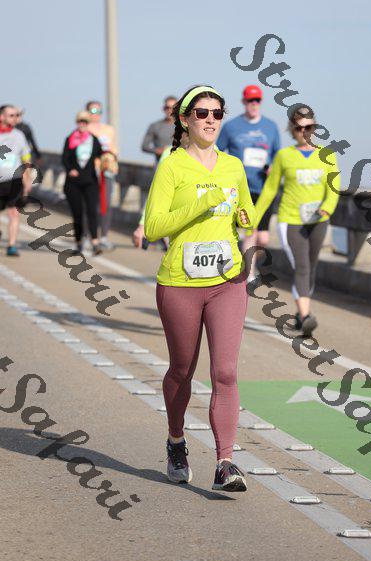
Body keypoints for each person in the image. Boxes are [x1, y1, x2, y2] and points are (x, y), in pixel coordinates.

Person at [144, 85, 255, 491]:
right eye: (202, 113)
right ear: (185, 119)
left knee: (225, 371)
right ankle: (176, 441)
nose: (210, 120)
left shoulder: (233, 166)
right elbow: (153, 227)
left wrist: (246, 228)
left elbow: (247, 213)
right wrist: (202, 204)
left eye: (217, 113)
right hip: (180, 282)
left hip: (227, 282)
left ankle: (226, 462)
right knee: (181, 369)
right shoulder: (171, 166)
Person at [254, 105, 340, 336]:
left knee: (311, 268)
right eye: (299, 128)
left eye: (309, 127)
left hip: (318, 220)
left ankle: (301, 314)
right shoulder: (284, 156)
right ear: (292, 130)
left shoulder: (327, 155)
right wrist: (253, 218)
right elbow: (270, 190)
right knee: (302, 267)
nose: (304, 132)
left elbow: (333, 188)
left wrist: (327, 208)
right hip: (291, 220)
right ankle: (306, 315)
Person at [217, 85, 280, 280]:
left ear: (260, 102)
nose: (253, 104)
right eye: (250, 100)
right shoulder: (231, 127)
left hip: (263, 189)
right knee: (248, 232)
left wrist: (272, 166)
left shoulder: (271, 127)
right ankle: (249, 273)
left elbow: (277, 155)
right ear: (243, 102)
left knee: (263, 238)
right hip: (240, 188)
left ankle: (245, 261)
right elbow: (218, 152)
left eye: (257, 100)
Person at [62, 110, 103, 255]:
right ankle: (79, 243)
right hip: (73, 183)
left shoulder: (94, 139)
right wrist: (70, 169)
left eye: (85, 122)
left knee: (92, 212)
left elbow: (102, 154)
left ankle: (95, 243)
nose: (82, 124)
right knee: (77, 214)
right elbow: (64, 158)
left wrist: (109, 159)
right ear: (77, 122)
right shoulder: (70, 139)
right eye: (80, 122)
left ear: (88, 123)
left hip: (90, 181)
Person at [0, 104, 32, 256]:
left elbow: (25, 158)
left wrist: (28, 180)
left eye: (17, 115)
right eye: (11, 115)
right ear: (2, 117)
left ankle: (11, 246)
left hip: (14, 180)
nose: (15, 118)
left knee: (14, 212)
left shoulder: (19, 135)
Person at [86, 100, 118, 250]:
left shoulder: (109, 130)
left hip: (106, 170)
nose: (96, 114)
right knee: (90, 204)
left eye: (99, 111)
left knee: (106, 204)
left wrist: (111, 157)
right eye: (93, 111)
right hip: (90, 171)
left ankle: (103, 236)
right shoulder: (84, 130)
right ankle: (88, 236)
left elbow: (114, 148)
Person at [141, 96, 176, 163]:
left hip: (179, 165)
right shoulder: (154, 126)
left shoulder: (184, 126)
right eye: (167, 108)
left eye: (173, 108)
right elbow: (144, 146)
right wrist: (158, 151)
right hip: (160, 164)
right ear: (163, 108)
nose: (170, 110)